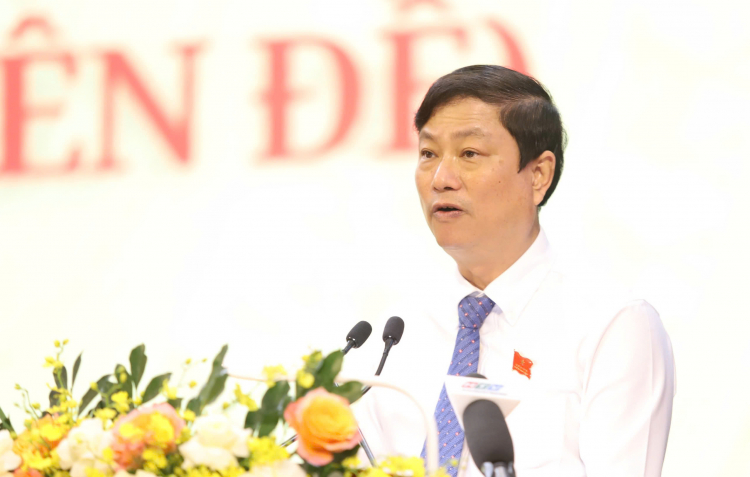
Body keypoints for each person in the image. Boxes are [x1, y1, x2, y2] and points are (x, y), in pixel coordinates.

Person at [352, 65, 675, 477]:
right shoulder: (394, 337)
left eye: (470, 154)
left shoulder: (612, 325)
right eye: (428, 154)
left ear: (538, 175)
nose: (441, 178)